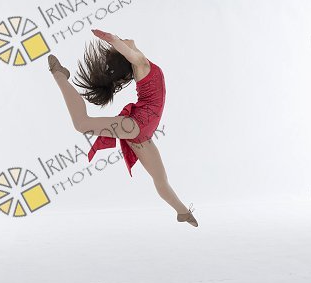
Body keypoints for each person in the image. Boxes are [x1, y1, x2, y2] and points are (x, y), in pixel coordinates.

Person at [47, 28, 198, 227]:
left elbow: (130, 52)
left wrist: (115, 41)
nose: (123, 39)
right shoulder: (141, 64)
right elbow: (131, 54)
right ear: (124, 54)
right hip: (137, 126)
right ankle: (59, 75)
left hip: (142, 133)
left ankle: (183, 212)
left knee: (161, 179)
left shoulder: (140, 62)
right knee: (82, 123)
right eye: (120, 46)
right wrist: (112, 40)